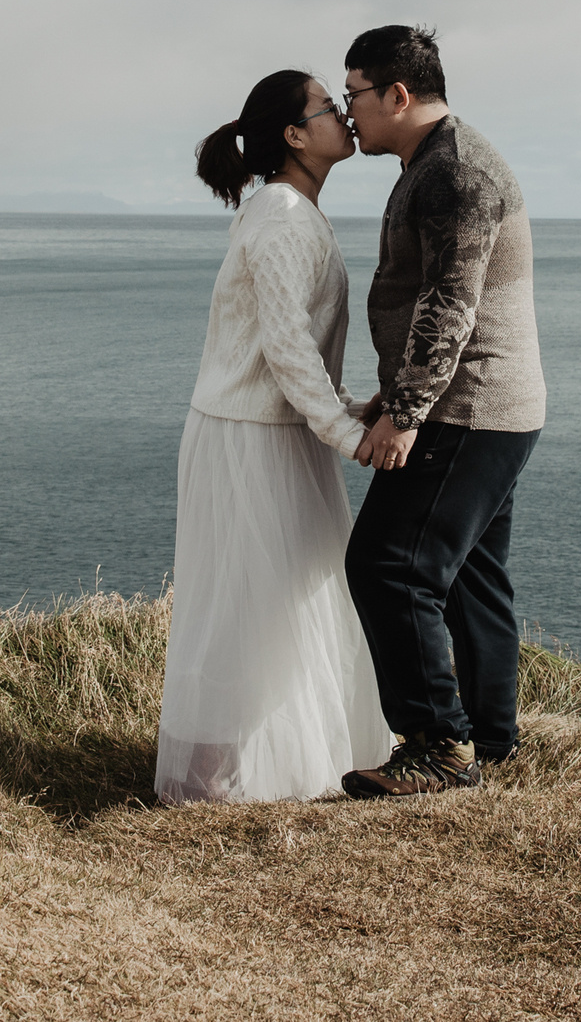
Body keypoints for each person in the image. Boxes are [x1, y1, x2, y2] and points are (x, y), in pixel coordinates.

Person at [154, 70, 390, 804]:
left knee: (281, 601)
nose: (345, 115)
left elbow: (287, 349)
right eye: (329, 108)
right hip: (253, 438)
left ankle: (243, 768)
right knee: (246, 609)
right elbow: (285, 349)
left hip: (271, 429)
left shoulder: (286, 210)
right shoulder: (285, 215)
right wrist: (349, 435)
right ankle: (210, 779)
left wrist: (349, 406)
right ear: (293, 135)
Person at [336, 25, 546, 798]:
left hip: (468, 408)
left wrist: (407, 412)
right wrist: (390, 399)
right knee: (473, 577)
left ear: (397, 93)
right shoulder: (438, 160)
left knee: (391, 565)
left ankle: (439, 745)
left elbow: (449, 305)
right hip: (493, 406)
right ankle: (490, 738)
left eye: (354, 93)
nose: (347, 110)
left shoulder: (453, 173)